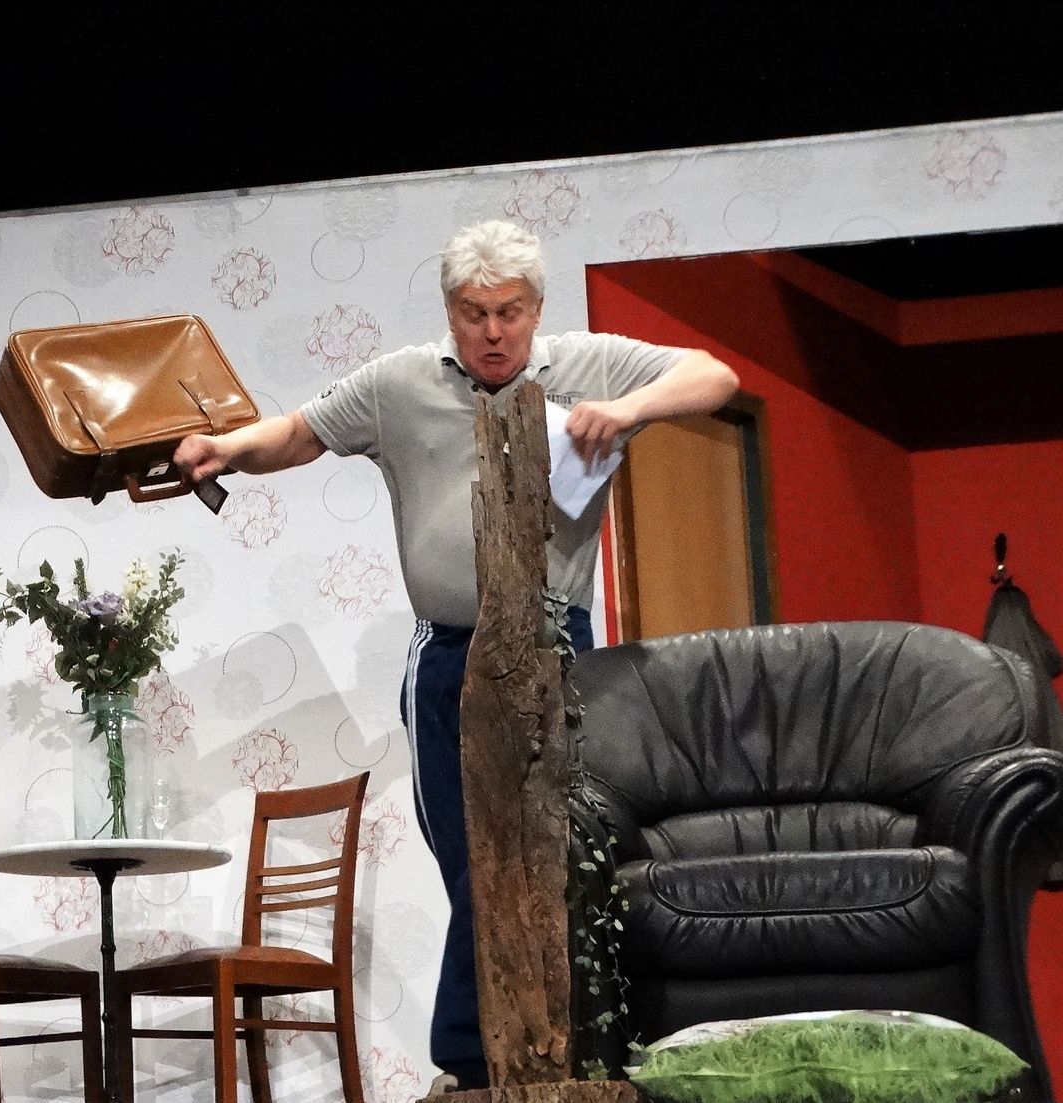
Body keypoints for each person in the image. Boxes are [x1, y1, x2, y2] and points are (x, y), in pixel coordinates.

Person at [174, 221, 738, 1091]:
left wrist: (627, 410)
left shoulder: (586, 362)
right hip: (448, 655)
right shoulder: (401, 382)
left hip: (558, 648)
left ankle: (536, 1050)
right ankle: (480, 1062)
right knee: (476, 862)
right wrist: (226, 451)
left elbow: (715, 376)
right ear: (450, 311)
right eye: (475, 313)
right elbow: (299, 432)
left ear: (536, 308)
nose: (493, 331)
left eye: (510, 311)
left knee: (563, 854)